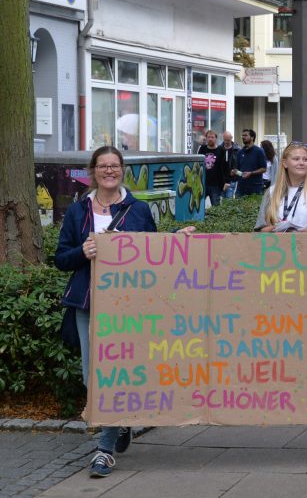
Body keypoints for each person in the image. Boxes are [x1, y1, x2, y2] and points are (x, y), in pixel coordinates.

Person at [54, 146, 194, 478]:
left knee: (112, 376)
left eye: (114, 166)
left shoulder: (138, 209)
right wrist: (83, 251)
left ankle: (104, 450)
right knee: (93, 378)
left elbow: (154, 252)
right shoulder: (78, 212)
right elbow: (61, 259)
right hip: (89, 304)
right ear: (93, 171)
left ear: (122, 171)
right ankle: (121, 424)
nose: (109, 171)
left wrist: (178, 238)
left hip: (129, 308)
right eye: (102, 166)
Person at [254, 142, 307, 232]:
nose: (301, 163)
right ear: (285, 163)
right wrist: (278, 229)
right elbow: (260, 229)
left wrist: (293, 234)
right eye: (296, 159)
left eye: (305, 159)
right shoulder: (272, 191)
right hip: (275, 245)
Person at [197, 130, 229, 207]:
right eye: (208, 137)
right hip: (202, 183)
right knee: (198, 206)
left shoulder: (221, 150)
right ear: (206, 138)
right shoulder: (202, 148)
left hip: (216, 185)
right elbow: (197, 163)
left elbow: (226, 166)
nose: (210, 139)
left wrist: (227, 181)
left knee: (216, 207)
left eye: (212, 137)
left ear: (216, 139)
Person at [233, 129, 267, 197]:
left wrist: (251, 173)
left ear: (252, 137)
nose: (243, 137)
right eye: (242, 135)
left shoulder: (259, 151)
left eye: (245, 135)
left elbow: (264, 169)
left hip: (255, 188)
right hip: (241, 188)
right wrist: (235, 172)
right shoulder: (240, 152)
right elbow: (238, 169)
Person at [219, 131, 240, 199]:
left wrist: (237, 172)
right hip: (222, 180)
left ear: (231, 138)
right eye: (225, 140)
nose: (227, 142)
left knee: (229, 200)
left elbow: (241, 165)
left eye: (228, 140)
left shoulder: (237, 149)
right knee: (221, 200)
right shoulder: (219, 149)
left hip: (233, 180)